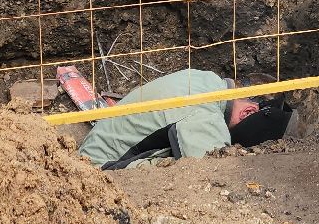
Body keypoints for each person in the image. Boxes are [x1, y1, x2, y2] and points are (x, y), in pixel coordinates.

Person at [74, 68, 295, 168]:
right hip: (97, 169)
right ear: (248, 112)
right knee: (181, 169)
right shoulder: (206, 117)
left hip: (94, 149)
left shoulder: (203, 79)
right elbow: (213, 172)